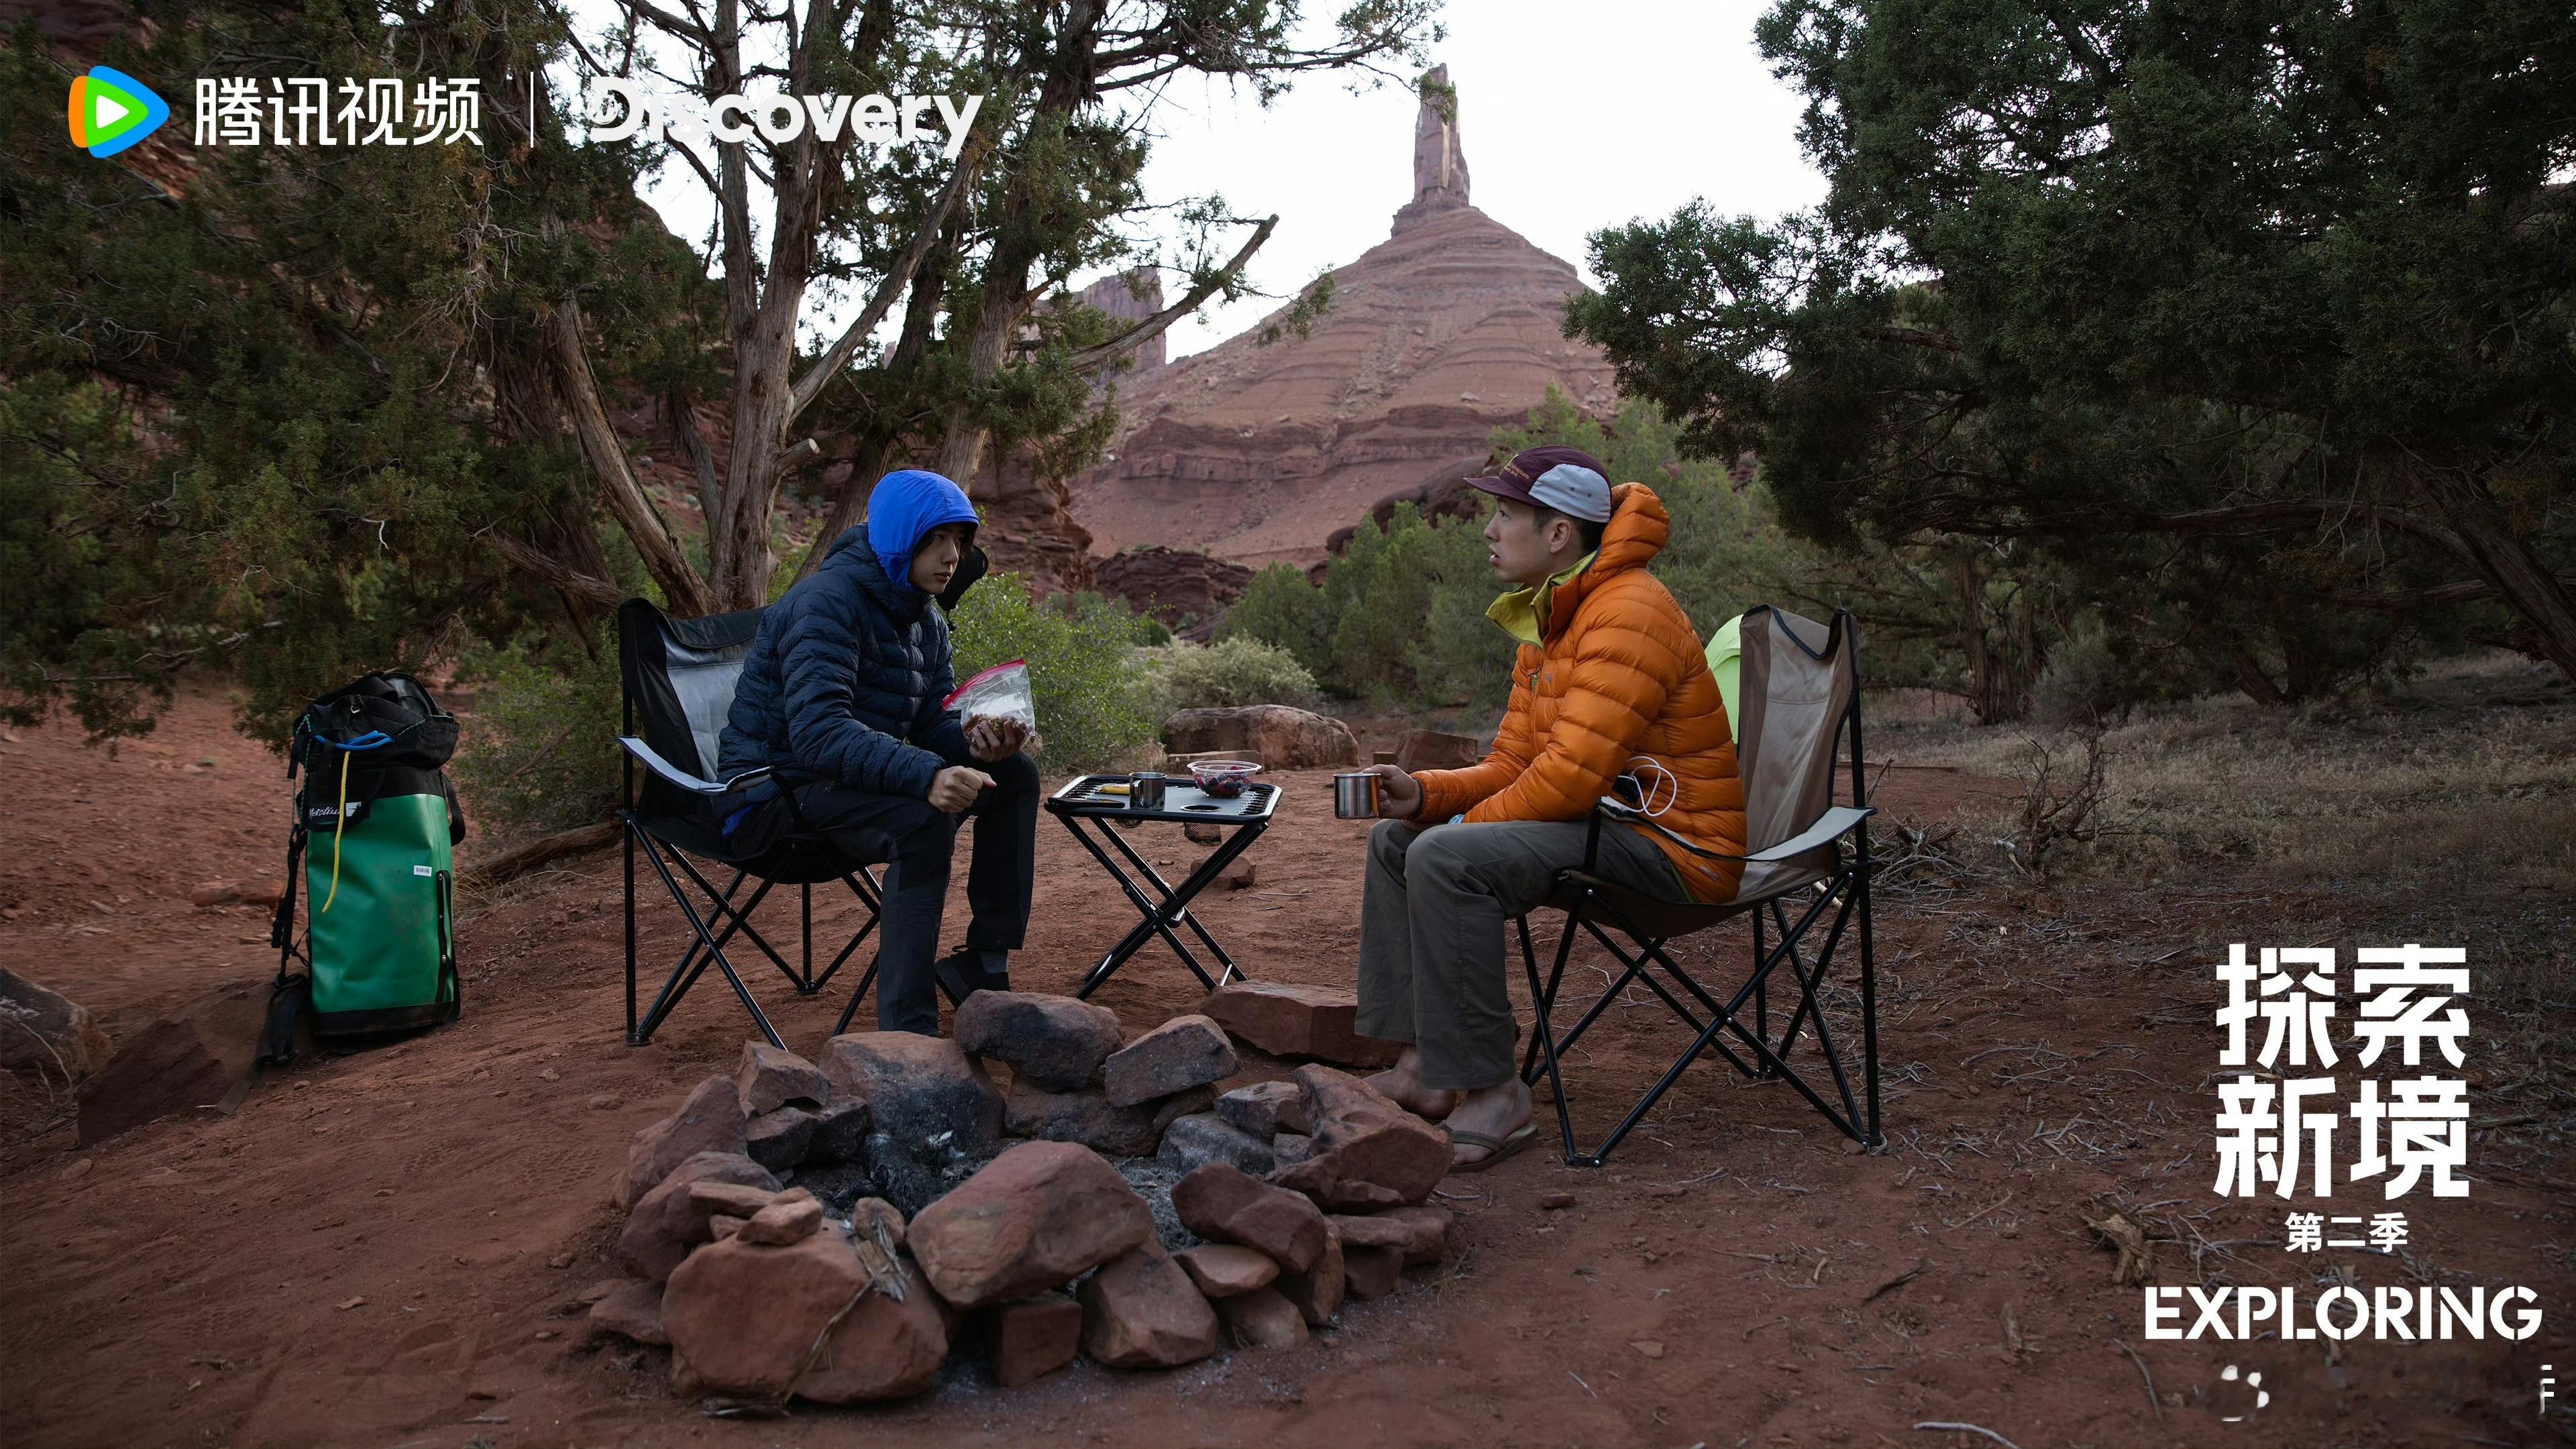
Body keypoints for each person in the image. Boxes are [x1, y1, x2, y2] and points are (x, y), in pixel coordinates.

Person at [1354, 445, 1747, 1169]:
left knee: (1443, 857)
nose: (1489, 530)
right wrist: (1428, 794)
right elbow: (1514, 763)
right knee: (1396, 839)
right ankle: (1424, 1066)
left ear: (1559, 533)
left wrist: (1458, 827)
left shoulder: (1627, 613)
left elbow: (1567, 782)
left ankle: (1494, 1092)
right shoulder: (1554, 616)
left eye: (1506, 515)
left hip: (1676, 850)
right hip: (1609, 827)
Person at [714, 468, 1035, 1035]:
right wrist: (928, 775)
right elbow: (818, 734)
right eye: (936, 539)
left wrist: (978, 742)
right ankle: (908, 1035)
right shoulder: (825, 603)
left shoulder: (924, 619)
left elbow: (930, 719)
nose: (951, 556)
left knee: (1015, 776)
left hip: (842, 782)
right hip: (772, 791)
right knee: (922, 820)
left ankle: (984, 965)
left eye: (959, 541)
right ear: (899, 536)